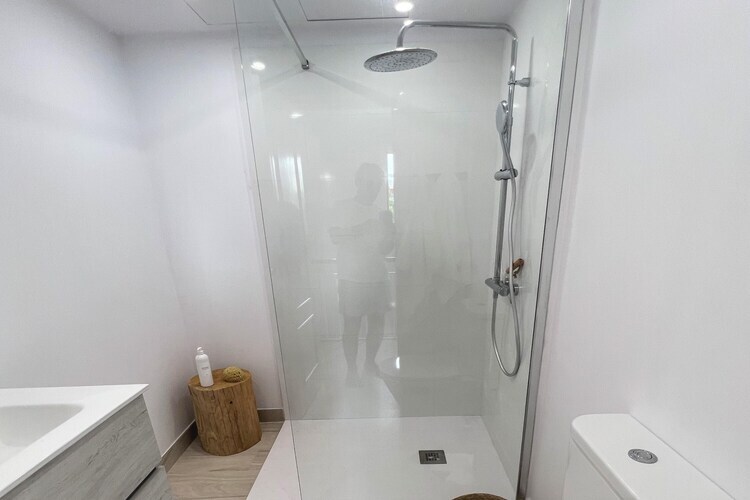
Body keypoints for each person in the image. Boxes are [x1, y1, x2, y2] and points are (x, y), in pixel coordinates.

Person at [329, 163, 394, 385]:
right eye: (369, 183)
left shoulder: (381, 212)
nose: (374, 188)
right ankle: (351, 371)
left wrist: (391, 232)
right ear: (357, 181)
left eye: (378, 184)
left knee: (377, 325)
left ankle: (370, 363)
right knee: (352, 326)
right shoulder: (342, 207)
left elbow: (384, 250)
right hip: (351, 278)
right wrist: (361, 228)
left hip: (378, 276)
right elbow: (334, 237)